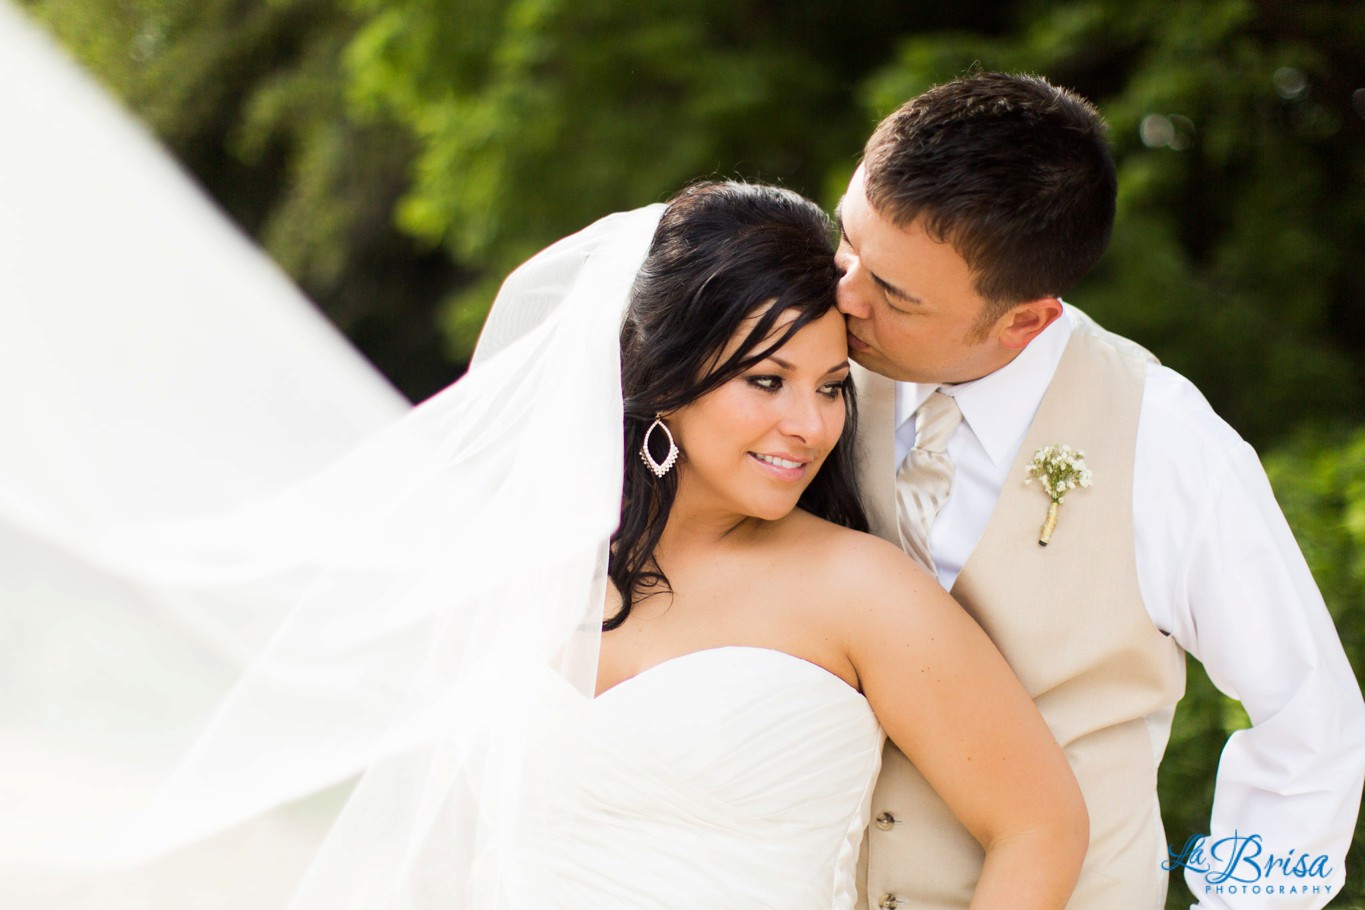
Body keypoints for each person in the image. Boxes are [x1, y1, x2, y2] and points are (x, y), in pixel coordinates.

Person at [0, 10, 1088, 905]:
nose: (807, 423)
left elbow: (1040, 822)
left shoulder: (857, 588)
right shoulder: (534, 567)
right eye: (765, 381)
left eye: (829, 386)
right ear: (663, 374)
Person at [834, 71, 1365, 909]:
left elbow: (1309, 723)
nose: (843, 295)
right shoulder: (795, 378)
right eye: (848, 242)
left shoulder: (1166, 441)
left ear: (1024, 320)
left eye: (893, 294)